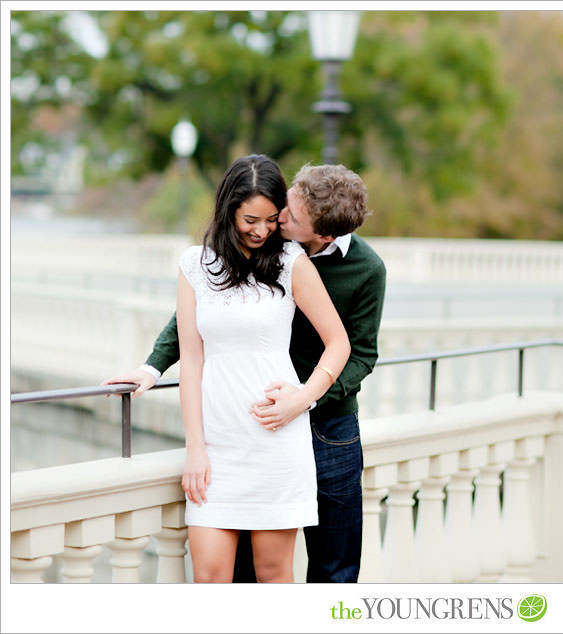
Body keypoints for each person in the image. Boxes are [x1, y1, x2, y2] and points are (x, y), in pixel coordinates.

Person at [102, 163, 386, 583]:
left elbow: (355, 350)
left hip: (323, 424)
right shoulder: (221, 257)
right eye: (270, 214)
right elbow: (198, 324)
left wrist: (303, 397)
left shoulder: (348, 267)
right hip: (232, 430)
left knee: (331, 567)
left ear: (323, 235)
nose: (275, 224)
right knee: (227, 576)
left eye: (281, 219)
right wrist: (152, 367)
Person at [173, 154, 350, 582]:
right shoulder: (195, 266)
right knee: (210, 579)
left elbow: (339, 343)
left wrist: (302, 399)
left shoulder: (291, 262)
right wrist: (195, 448)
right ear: (228, 208)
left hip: (275, 443)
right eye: (251, 218)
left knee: (273, 577)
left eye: (272, 219)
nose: (262, 230)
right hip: (217, 448)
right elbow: (192, 362)